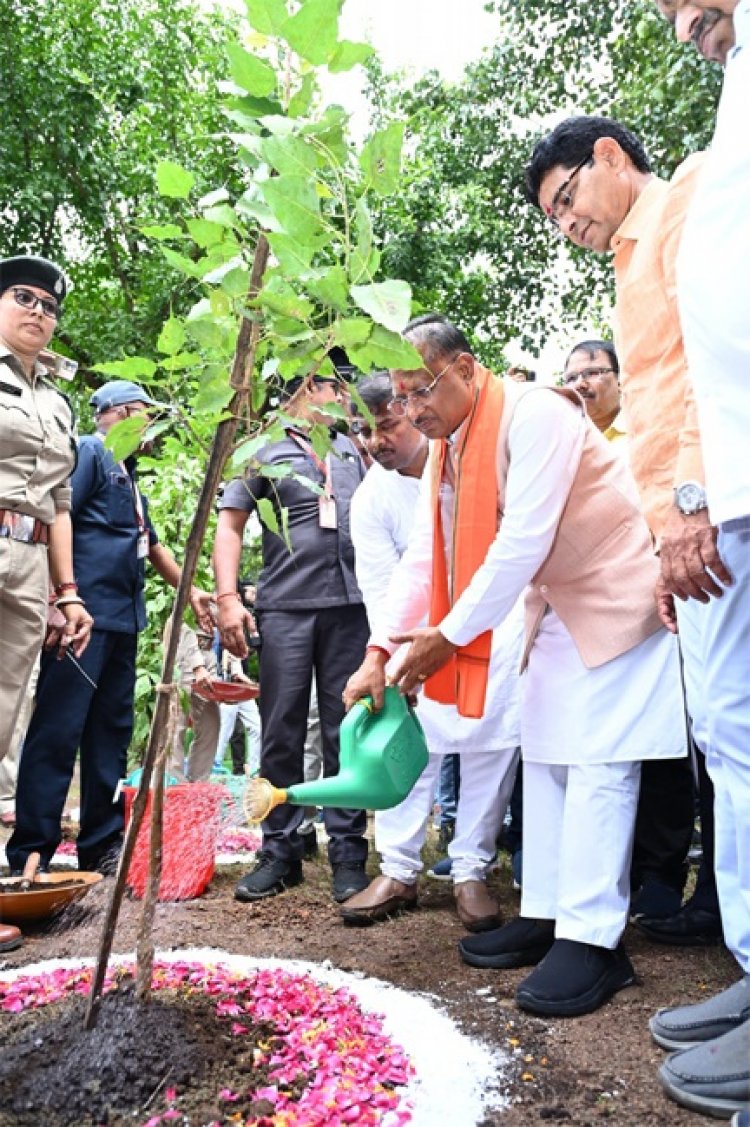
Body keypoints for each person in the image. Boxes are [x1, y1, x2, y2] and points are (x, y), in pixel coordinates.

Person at [344, 313, 687, 1018]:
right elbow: (422, 558)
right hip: (554, 605)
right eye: (401, 398)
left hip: (616, 594)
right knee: (550, 756)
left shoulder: (536, 415)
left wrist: (448, 633)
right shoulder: (450, 445)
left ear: (467, 367)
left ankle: (595, 943)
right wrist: (381, 649)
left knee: (598, 765)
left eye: (420, 390)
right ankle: (553, 911)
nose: (411, 411)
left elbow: (524, 537)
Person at [525, 118, 725, 943]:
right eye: (555, 217)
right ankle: (735, 936)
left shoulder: (686, 208)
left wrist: (689, 502)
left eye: (568, 198)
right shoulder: (628, 258)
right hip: (679, 530)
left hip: (705, 511)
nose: (568, 224)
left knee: (729, 740)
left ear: (610, 157)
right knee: (719, 736)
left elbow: (704, 373)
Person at [647, 2, 750, 1117]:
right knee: (733, 735)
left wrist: (689, 496)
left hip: (724, 482)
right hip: (729, 472)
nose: (683, 22)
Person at [7, 379, 211, 875]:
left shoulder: (129, 473)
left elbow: (154, 546)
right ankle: (32, 849)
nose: (152, 424)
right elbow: (61, 518)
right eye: (144, 412)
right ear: (117, 414)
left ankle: (101, 847)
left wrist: (196, 593)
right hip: (83, 621)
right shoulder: (91, 454)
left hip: (123, 622)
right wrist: (62, 595)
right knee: (58, 730)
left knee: (110, 734)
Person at [342, 374, 521, 931]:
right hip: (410, 644)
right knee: (406, 753)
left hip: (489, 631)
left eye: (387, 424)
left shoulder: (474, 460)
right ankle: (397, 869)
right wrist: (391, 660)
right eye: (361, 431)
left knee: (491, 750)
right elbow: (384, 585)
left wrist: (457, 634)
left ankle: (470, 868)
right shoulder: (371, 499)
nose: (375, 441)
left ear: (418, 411)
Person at [214, 372, 370, 905]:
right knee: (280, 729)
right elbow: (229, 525)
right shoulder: (262, 448)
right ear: (302, 388)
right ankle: (280, 851)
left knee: (345, 732)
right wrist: (228, 599)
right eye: (334, 384)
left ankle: (349, 853)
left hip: (352, 610)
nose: (344, 395)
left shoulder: (354, 448)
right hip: (285, 608)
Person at [562, 339, 704, 925]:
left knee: (668, 746)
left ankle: (662, 875)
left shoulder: (647, 435)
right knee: (606, 752)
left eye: (594, 371)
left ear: (621, 379)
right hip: (594, 611)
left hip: (662, 599)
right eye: (572, 375)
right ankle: (613, 875)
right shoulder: (566, 443)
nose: (583, 383)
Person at [0, 254, 93, 953]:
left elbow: (60, 502)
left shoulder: (57, 400)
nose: (39, 310)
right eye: (24, 296)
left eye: (50, 305)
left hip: (32, 561)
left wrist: (67, 592)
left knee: (5, 722)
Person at [167, 624, 220, 782]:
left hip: (209, 655)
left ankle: (199, 781)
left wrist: (236, 670)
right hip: (183, 654)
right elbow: (178, 621)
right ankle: (173, 783)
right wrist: (197, 665)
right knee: (175, 725)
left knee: (211, 724)